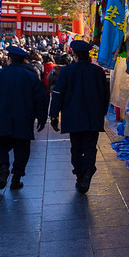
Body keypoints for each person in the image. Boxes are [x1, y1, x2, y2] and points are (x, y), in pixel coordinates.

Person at [0, 45, 48, 190]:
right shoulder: (30, 76)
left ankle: (3, 167)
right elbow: (41, 99)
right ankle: (16, 178)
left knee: (0, 145)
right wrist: (42, 118)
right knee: (22, 149)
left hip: (0, 118)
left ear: (9, 59)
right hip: (23, 119)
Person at [49, 40, 109, 193]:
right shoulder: (98, 72)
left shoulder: (66, 72)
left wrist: (54, 115)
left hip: (73, 116)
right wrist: (102, 112)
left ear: (75, 55)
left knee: (76, 147)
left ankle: (79, 175)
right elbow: (105, 95)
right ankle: (88, 170)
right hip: (93, 116)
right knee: (90, 146)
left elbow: (58, 94)